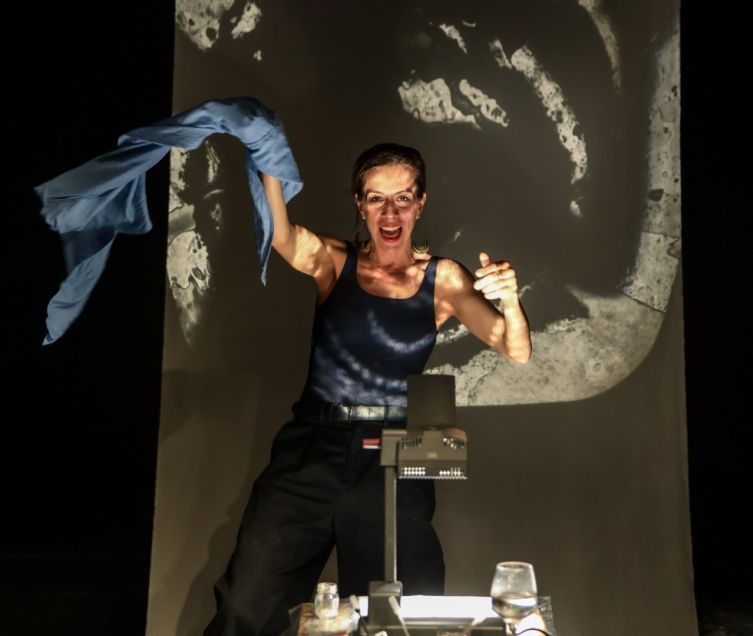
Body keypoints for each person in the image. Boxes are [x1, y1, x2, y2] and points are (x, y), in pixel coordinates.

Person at [203, 142, 531, 636]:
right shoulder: (335, 261)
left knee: (399, 612)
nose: (390, 212)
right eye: (377, 198)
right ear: (360, 204)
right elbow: (281, 234)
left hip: (394, 454)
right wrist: (267, 153)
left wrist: (509, 299)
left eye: (402, 198)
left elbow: (515, 349)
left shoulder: (442, 278)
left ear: (420, 204)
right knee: (246, 601)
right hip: (312, 446)